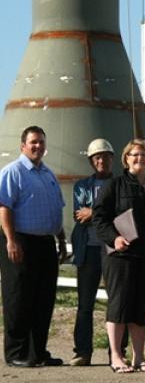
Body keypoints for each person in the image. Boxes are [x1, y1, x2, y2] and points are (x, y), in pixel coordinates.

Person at [93, 138, 145, 373]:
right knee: (119, 305)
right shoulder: (115, 185)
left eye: (143, 155)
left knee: (140, 307)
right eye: (134, 155)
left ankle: (138, 357)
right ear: (126, 159)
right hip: (121, 256)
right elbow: (99, 216)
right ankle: (116, 356)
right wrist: (113, 237)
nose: (139, 159)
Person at [0, 126, 66, 367]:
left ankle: (37, 351)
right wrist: (10, 240)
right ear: (23, 146)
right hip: (21, 241)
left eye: (41, 142)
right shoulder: (12, 172)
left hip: (46, 242)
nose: (38, 146)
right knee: (19, 298)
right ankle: (16, 352)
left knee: (43, 299)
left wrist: (60, 239)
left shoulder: (48, 174)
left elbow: (57, 209)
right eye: (33, 142)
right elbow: (3, 208)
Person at [69, 138, 115, 366]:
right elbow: (79, 216)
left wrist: (94, 212)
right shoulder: (82, 186)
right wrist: (105, 214)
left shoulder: (120, 184)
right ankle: (83, 352)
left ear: (112, 159)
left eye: (105, 156)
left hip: (113, 251)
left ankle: (115, 352)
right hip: (88, 251)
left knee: (115, 303)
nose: (101, 160)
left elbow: (121, 215)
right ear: (91, 161)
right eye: (97, 157)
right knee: (85, 304)